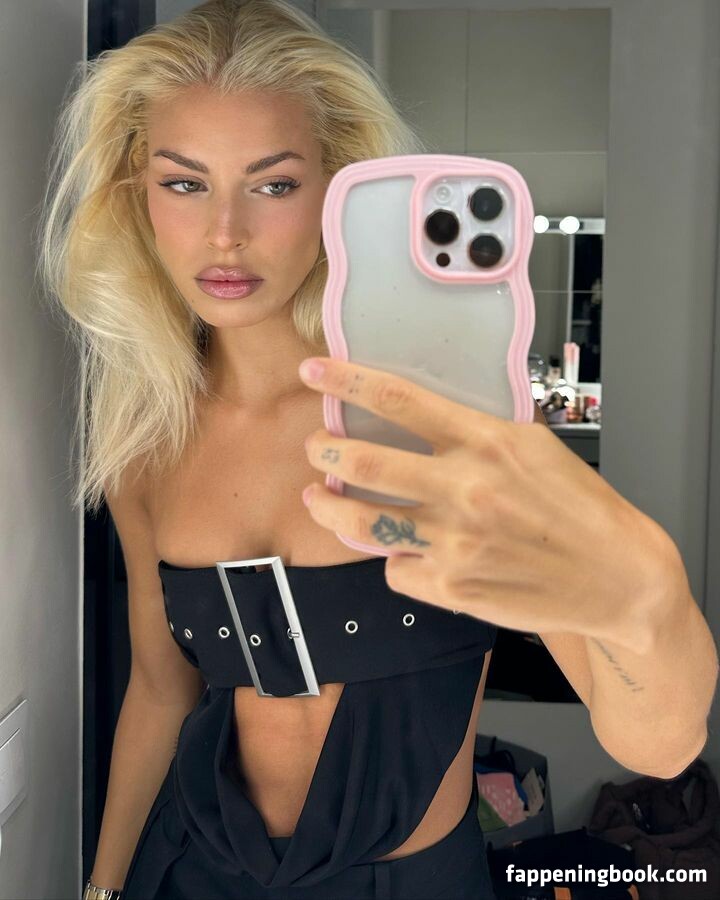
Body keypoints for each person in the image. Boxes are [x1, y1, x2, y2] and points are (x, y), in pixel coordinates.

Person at [36, 1, 719, 898]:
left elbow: (659, 744)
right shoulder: (146, 441)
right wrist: (103, 886)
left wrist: (648, 594)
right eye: (186, 183)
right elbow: (161, 691)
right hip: (192, 870)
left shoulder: (437, 427)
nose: (226, 232)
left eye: (274, 185)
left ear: (340, 190)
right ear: (139, 192)